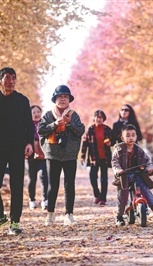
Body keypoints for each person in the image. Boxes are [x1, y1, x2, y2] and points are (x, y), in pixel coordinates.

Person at [0, 67, 34, 235]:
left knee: (16, 186)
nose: (11, 81)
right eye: (7, 78)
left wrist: (29, 143)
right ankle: (0, 216)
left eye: (13, 78)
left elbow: (29, 125)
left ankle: (15, 222)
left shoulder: (22, 100)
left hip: (17, 147)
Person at [38, 85, 85, 226]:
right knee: (53, 185)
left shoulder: (73, 115)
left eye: (65, 97)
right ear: (55, 99)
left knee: (69, 184)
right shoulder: (48, 115)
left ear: (69, 99)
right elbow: (40, 130)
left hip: (70, 154)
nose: (63, 99)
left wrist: (69, 124)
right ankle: (50, 214)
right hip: (52, 154)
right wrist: (54, 124)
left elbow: (81, 130)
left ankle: (69, 214)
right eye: (60, 97)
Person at [111, 124, 153, 226]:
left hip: (137, 175)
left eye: (133, 135)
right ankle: (119, 216)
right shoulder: (119, 149)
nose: (131, 138)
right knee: (122, 197)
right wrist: (118, 170)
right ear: (122, 138)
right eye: (127, 135)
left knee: (145, 189)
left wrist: (149, 168)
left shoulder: (138, 149)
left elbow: (147, 161)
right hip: (124, 176)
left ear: (136, 137)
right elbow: (115, 162)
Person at [81, 110, 112, 206]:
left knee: (104, 179)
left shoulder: (107, 129)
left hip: (105, 157)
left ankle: (103, 198)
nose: (99, 119)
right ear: (94, 118)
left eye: (101, 117)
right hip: (94, 157)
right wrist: (83, 156)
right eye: (97, 117)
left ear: (104, 119)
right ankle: (97, 194)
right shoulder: (90, 130)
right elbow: (84, 144)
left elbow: (113, 140)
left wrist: (110, 143)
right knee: (92, 177)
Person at [27, 105, 49, 210]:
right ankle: (32, 200)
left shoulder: (45, 124)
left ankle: (45, 199)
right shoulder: (27, 126)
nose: (36, 114)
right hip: (31, 156)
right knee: (32, 179)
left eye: (38, 112)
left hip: (44, 155)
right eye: (33, 112)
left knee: (43, 176)